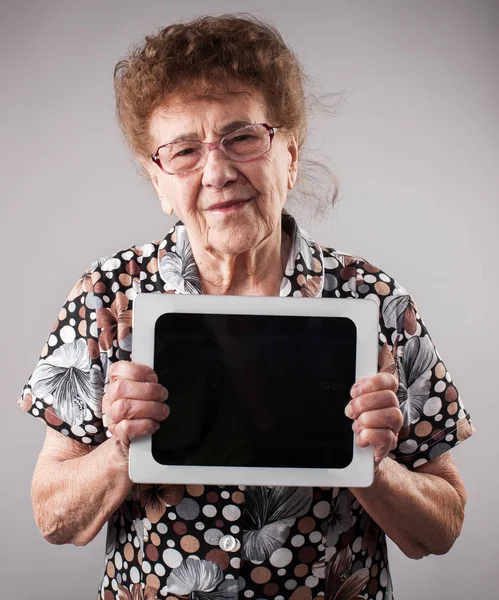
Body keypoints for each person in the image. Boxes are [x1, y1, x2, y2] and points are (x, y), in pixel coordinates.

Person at [19, 14, 474, 600]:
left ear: (287, 152)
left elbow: (440, 529)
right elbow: (53, 518)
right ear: (157, 181)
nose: (217, 171)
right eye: (184, 151)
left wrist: (372, 466)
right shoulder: (108, 296)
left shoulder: (375, 301)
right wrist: (121, 450)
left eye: (242, 137)